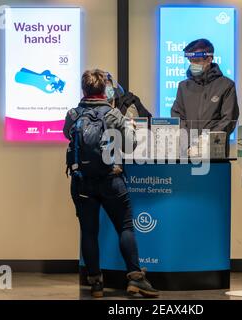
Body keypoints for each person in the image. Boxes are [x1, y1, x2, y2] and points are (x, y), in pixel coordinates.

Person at [63, 69, 159, 298]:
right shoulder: (114, 114)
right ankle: (136, 279)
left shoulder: (73, 114)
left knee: (88, 232)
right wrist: (131, 129)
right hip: (112, 179)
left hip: (82, 181)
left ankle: (95, 283)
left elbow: (67, 134)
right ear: (104, 90)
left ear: (83, 90)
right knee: (124, 227)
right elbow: (129, 146)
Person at [171, 38, 240, 154]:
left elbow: (229, 119)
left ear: (209, 59)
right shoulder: (183, 87)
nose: (193, 65)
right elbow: (177, 116)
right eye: (190, 61)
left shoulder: (226, 86)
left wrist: (205, 142)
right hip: (188, 153)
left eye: (197, 61)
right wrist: (189, 144)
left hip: (216, 153)